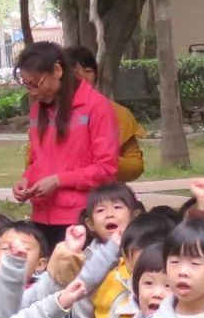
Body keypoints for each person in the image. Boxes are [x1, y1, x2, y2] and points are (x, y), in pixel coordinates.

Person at [12, 42, 120, 252]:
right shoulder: (38, 111)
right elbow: (38, 160)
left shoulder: (96, 107)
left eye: (36, 83)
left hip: (79, 219)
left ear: (58, 70)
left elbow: (106, 169)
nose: (32, 93)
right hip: (41, 217)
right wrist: (27, 179)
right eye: (27, 86)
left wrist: (59, 181)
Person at [66, 46, 146, 182]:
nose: (83, 78)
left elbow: (136, 165)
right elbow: (34, 161)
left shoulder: (120, 113)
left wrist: (104, 162)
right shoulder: (48, 114)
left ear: (96, 76)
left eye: (88, 71)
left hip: (106, 195)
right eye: (75, 73)